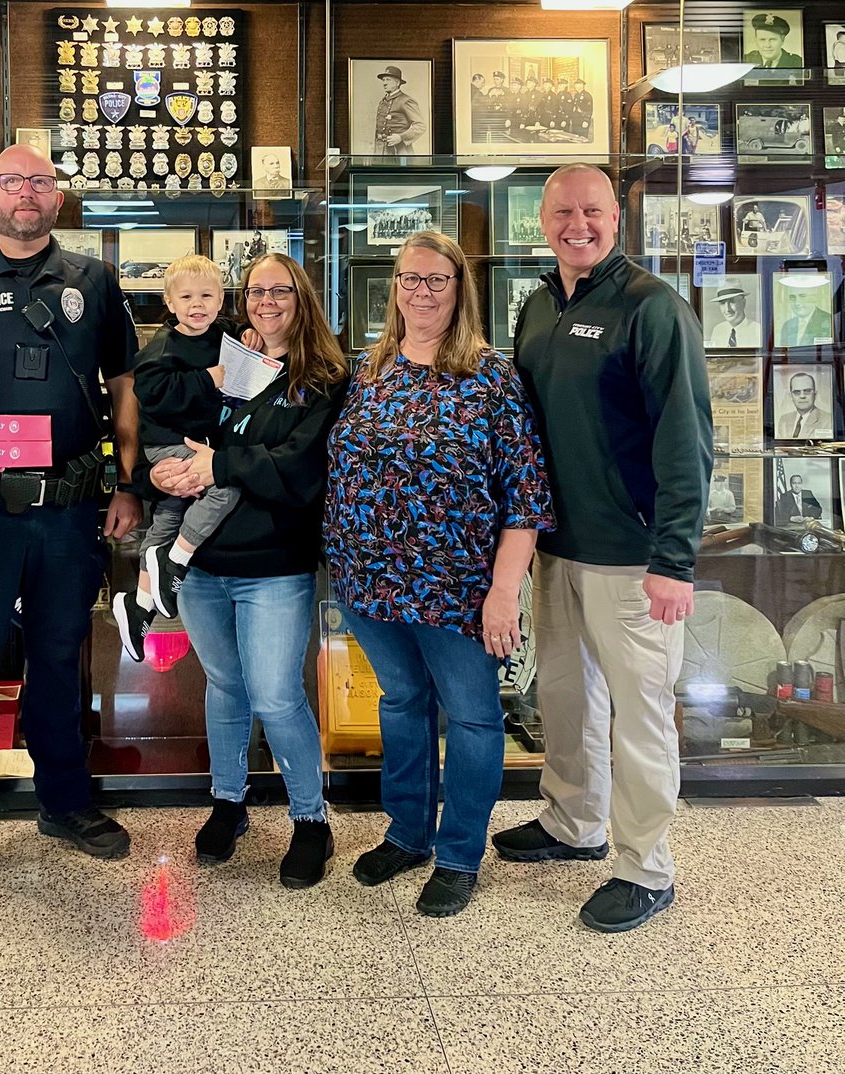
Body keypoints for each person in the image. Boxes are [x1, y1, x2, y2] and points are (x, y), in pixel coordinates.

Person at [0, 142, 142, 900]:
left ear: (57, 195)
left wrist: (128, 482)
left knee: (59, 659)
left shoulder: (93, 280)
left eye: (39, 181)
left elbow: (123, 383)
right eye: (12, 181)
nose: (26, 193)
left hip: (70, 509)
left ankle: (65, 803)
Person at [493, 164, 712, 934]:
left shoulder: (652, 307)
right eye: (563, 212)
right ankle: (572, 823)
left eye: (591, 211)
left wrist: (674, 561)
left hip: (634, 558)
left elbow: (686, 443)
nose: (576, 224)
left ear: (617, 217)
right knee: (566, 698)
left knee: (639, 715)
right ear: (543, 221)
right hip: (555, 549)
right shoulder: (537, 305)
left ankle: (646, 868)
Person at [324, 232, 553, 917]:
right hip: (368, 583)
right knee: (401, 704)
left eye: (437, 280)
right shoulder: (372, 368)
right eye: (409, 279)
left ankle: (458, 855)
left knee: (476, 721)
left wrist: (504, 592)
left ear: (460, 290)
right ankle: (408, 833)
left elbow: (527, 496)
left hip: (457, 588)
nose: (421, 292)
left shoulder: (492, 375)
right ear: (394, 287)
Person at [149, 253, 349, 888]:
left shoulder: (322, 374)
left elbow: (299, 466)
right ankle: (229, 802)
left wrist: (219, 467)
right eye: (257, 289)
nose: (267, 300)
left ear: (303, 296)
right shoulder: (229, 357)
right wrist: (163, 471)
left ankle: (311, 820)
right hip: (203, 562)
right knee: (226, 687)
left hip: (274, 565)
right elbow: (178, 424)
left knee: (276, 693)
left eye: (280, 290)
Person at [113, 255, 244, 661]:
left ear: (222, 300)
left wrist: (250, 334)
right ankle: (176, 560)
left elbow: (245, 335)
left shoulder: (224, 333)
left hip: (196, 440)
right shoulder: (162, 347)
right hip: (170, 443)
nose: (197, 304)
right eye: (186, 297)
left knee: (169, 515)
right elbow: (153, 393)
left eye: (207, 295)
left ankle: (139, 605)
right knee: (226, 485)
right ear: (169, 303)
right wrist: (209, 380)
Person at [373, 66, 426, 160]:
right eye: (383, 80)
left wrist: (400, 137)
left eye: (388, 80)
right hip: (381, 150)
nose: (384, 83)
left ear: (397, 83)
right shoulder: (383, 101)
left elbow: (420, 126)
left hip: (399, 151)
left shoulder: (406, 100)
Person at [775, 371, 833, 439]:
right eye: (797, 392)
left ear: (815, 394)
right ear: (791, 396)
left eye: (807, 391)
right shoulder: (784, 420)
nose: (802, 396)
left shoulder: (828, 420)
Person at [706, 284, 761, 348]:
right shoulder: (717, 330)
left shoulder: (758, 330)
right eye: (722, 303)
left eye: (732, 301)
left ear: (743, 303)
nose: (727, 309)